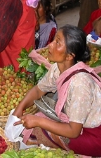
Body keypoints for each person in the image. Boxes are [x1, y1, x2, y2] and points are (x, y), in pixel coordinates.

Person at [13, 25, 101, 157]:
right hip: (77, 125)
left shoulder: (80, 83)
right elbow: (38, 90)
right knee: (36, 119)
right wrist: (20, 107)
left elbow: (74, 131)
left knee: (35, 130)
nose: (50, 45)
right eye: (54, 40)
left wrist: (39, 122)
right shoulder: (57, 69)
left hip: (94, 136)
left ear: (70, 56)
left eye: (57, 43)